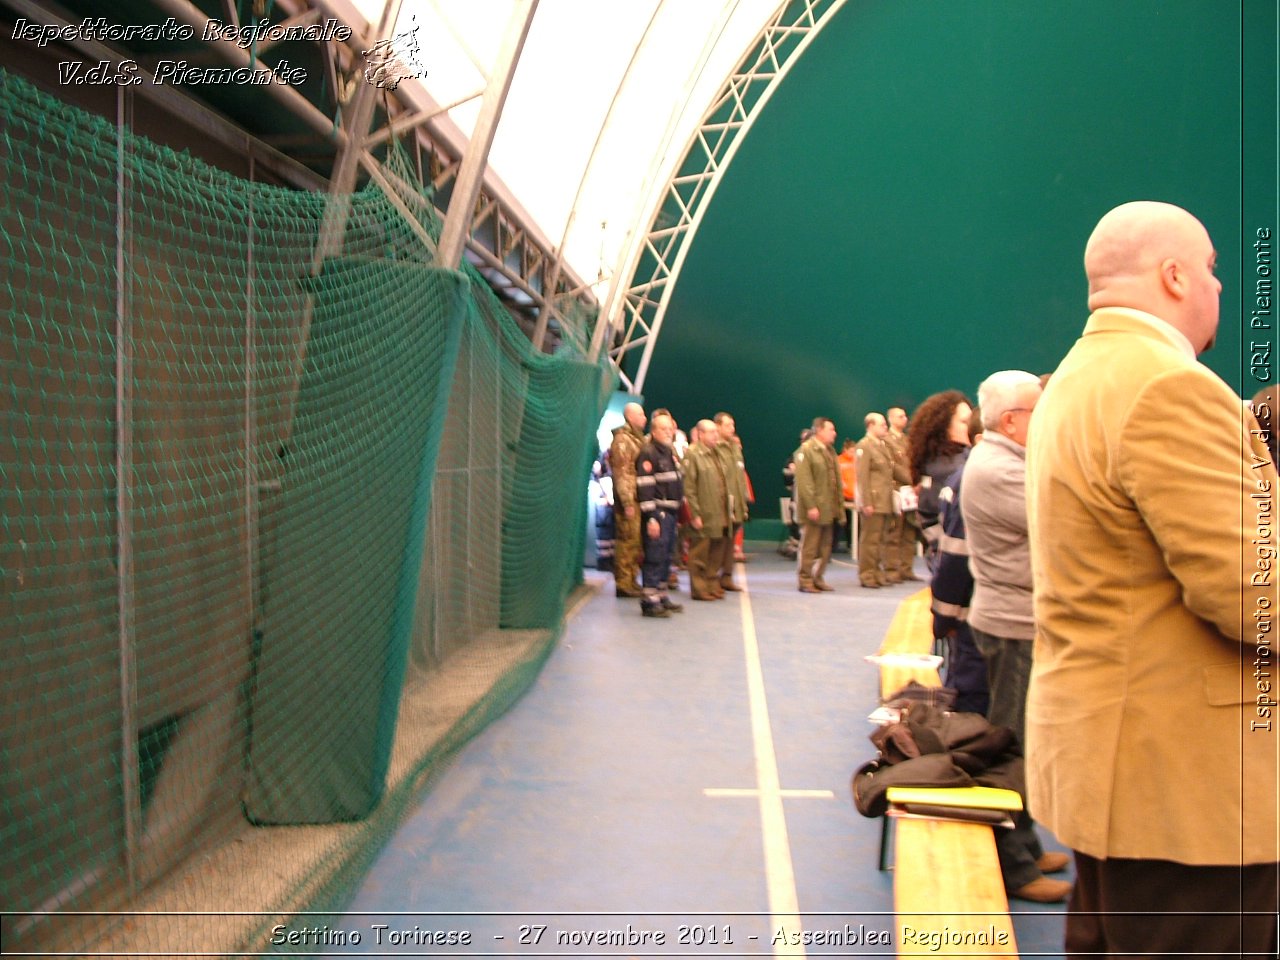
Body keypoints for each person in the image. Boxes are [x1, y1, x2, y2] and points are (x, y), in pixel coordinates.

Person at [1026, 201, 1278, 954]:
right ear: (1173, 275)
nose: (1220, 286)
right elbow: (1255, 594)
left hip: (1114, 769)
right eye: (1210, 268)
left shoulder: (1077, 378)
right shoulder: (1171, 386)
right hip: (1185, 796)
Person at [960, 369, 1067, 904]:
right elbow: (1064, 520)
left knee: (1023, 743)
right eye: (1039, 409)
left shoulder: (1007, 460)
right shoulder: (999, 470)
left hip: (1019, 622)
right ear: (1010, 420)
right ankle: (1015, 867)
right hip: (1013, 626)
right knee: (1013, 748)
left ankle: (1023, 843)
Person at [929, 405, 988, 715]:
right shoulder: (968, 479)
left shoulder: (963, 475)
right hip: (972, 616)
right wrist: (944, 619)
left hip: (972, 614)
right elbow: (953, 557)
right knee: (972, 707)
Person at [906, 390, 972, 569]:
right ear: (944, 426)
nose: (971, 426)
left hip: (943, 559)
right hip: (957, 562)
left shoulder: (934, 462)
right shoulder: (949, 468)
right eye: (964, 422)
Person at [634, 412, 684, 618]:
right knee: (655, 556)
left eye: (670, 429)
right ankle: (649, 600)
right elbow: (645, 487)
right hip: (658, 514)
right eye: (663, 429)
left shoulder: (669, 452)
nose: (668, 432)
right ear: (653, 432)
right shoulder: (649, 453)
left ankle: (661, 595)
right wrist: (652, 517)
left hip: (671, 513)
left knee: (666, 556)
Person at [854, 413, 906, 587]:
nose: (885, 427)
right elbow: (862, 477)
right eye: (882, 424)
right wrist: (866, 502)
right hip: (874, 501)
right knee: (870, 540)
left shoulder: (882, 446)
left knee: (882, 539)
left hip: (885, 500)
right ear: (870, 426)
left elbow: (891, 472)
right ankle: (867, 575)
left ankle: (878, 572)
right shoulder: (864, 446)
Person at [793, 417, 844, 592]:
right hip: (814, 509)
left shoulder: (829, 451)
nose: (834, 433)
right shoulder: (806, 451)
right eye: (831, 429)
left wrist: (838, 507)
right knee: (810, 546)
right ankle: (805, 580)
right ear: (819, 430)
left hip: (828, 508)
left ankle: (818, 577)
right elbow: (805, 482)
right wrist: (811, 506)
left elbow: (835, 481)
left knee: (825, 546)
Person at [682, 419, 730, 601]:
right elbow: (689, 488)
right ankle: (699, 588)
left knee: (715, 552)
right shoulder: (693, 454)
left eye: (716, 432)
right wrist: (694, 514)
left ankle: (711, 584)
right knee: (699, 553)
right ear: (700, 434)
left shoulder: (716, 453)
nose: (715, 435)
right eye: (711, 432)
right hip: (703, 513)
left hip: (718, 512)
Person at [608, 401, 647, 598]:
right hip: (629, 499)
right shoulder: (623, 441)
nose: (644, 418)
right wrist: (627, 502)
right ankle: (623, 583)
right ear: (630, 417)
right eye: (641, 415)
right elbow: (621, 474)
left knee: (635, 541)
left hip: (637, 497)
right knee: (626, 541)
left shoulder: (637, 439)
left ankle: (631, 579)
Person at [713, 412, 748, 588]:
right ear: (717, 427)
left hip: (736, 504)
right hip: (720, 505)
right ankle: (711, 579)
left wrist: (743, 504)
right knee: (717, 544)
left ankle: (727, 577)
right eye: (728, 425)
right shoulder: (713, 448)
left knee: (729, 544)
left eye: (733, 425)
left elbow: (739, 478)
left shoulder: (735, 448)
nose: (732, 429)